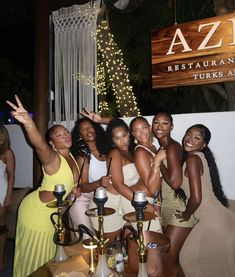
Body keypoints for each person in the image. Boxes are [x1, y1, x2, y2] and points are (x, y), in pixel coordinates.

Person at [6, 95, 81, 277]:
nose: (65, 136)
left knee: (48, 258)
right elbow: (39, 145)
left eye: (66, 132)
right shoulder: (52, 158)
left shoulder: (72, 158)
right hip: (37, 213)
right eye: (58, 135)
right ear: (52, 143)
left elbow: (68, 190)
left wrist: (73, 194)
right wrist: (28, 123)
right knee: (35, 259)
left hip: (53, 215)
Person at [177, 124, 235, 277]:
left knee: (187, 259)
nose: (189, 140)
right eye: (188, 134)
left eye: (197, 138)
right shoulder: (197, 158)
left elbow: (196, 199)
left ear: (203, 145)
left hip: (213, 221)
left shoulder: (193, 160)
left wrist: (186, 215)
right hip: (218, 218)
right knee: (216, 265)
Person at [151, 112, 197, 274]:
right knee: (172, 259)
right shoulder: (164, 147)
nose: (159, 127)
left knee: (167, 258)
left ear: (171, 127)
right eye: (156, 122)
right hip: (167, 206)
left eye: (165, 123)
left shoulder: (172, 147)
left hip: (179, 208)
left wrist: (157, 162)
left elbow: (175, 182)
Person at [69, 117, 111, 238]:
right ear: (80, 135)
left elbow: (121, 128)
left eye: (90, 127)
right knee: (88, 239)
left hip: (101, 198)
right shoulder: (83, 156)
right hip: (83, 200)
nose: (88, 130)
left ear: (96, 128)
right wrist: (99, 182)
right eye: (83, 129)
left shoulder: (107, 151)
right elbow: (83, 186)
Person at [129, 116, 166, 233]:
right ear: (133, 134)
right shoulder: (140, 152)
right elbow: (151, 187)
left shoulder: (154, 148)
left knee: (152, 241)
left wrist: (158, 203)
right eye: (136, 130)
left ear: (149, 128)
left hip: (152, 200)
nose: (141, 133)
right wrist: (157, 162)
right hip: (143, 202)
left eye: (144, 128)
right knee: (151, 242)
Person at [0, 126, 15, 272]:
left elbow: (11, 175)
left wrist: (9, 195)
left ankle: (1, 259)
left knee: (1, 227)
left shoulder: (7, 152)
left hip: (1, 191)